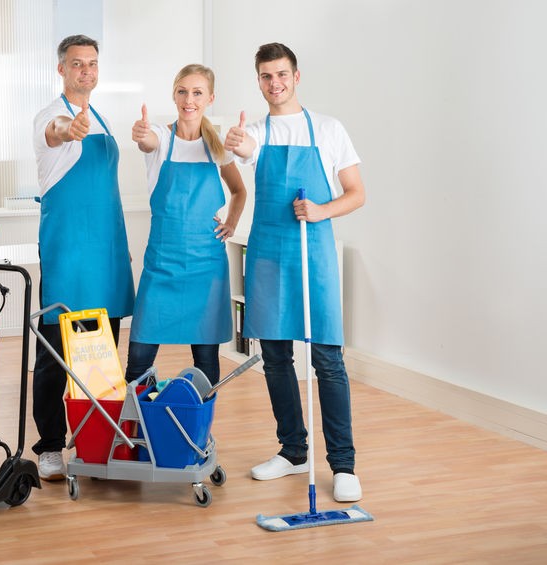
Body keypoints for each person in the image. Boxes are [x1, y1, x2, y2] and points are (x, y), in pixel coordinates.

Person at [224, 43, 366, 502]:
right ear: (259, 80)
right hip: (267, 253)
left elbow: (356, 192)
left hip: (314, 253)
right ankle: (293, 451)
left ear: (297, 76)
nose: (274, 83)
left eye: (281, 74)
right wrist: (242, 146)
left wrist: (322, 209)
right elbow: (247, 153)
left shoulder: (327, 128)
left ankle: (343, 465)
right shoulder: (258, 132)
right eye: (266, 76)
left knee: (327, 359)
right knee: (277, 358)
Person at [32, 35, 135, 480]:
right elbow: (57, 132)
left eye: (92, 64)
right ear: (62, 69)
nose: (86, 72)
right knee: (56, 357)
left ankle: (97, 442)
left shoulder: (106, 121)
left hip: (107, 252)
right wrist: (68, 129)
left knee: (102, 360)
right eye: (77, 64)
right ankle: (50, 446)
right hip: (69, 254)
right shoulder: (50, 117)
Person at [124, 64, 246, 386]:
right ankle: (137, 432)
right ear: (174, 95)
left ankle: (196, 430)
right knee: (139, 358)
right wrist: (141, 134)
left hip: (207, 267)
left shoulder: (218, 146)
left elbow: (239, 190)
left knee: (205, 359)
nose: (188, 99)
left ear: (210, 98)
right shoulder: (162, 138)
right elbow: (147, 141)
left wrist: (231, 222)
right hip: (162, 265)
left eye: (197, 92)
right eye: (182, 91)